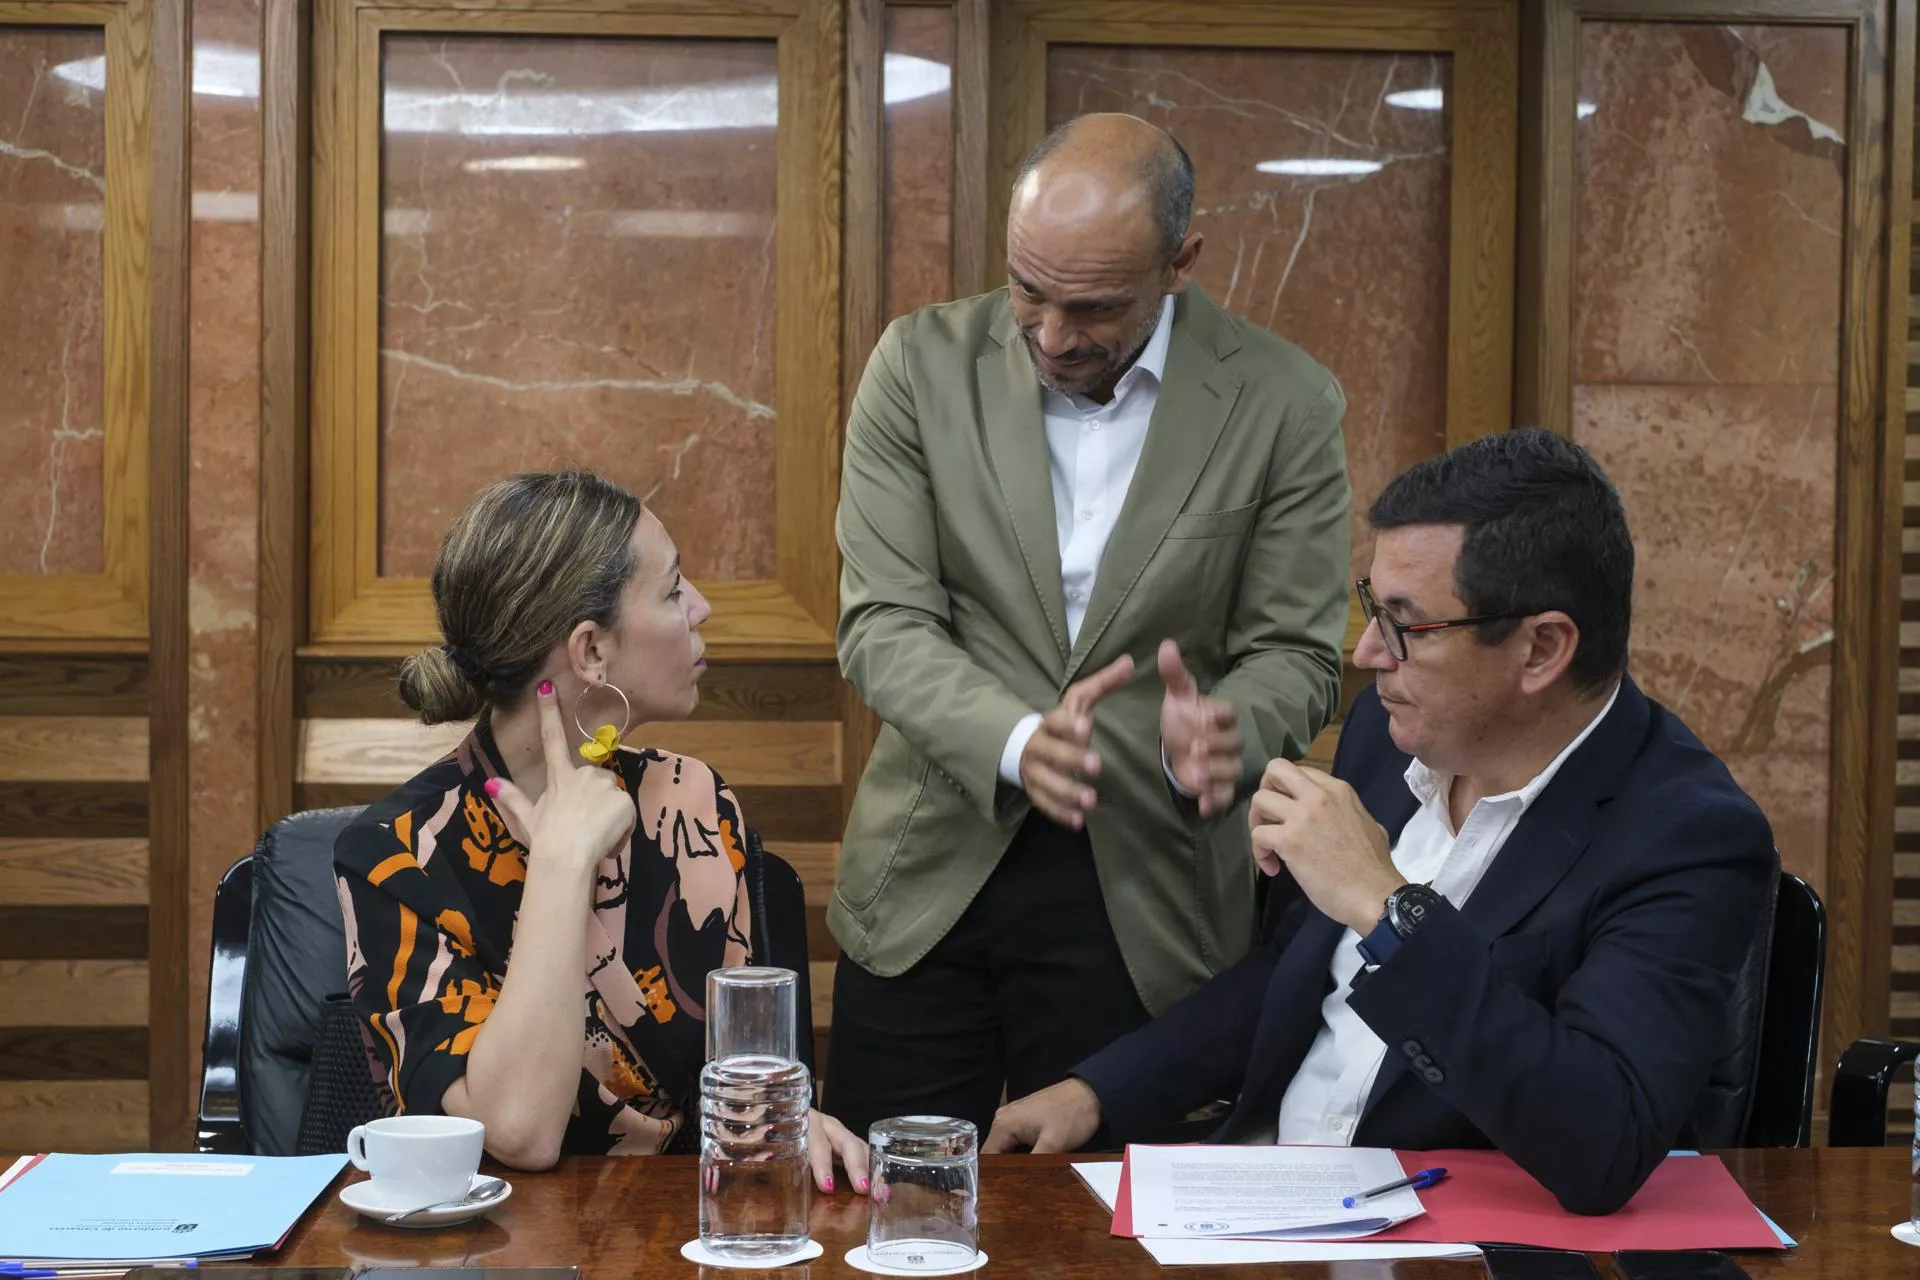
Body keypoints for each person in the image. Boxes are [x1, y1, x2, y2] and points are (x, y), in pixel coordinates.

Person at [983, 429, 1776, 1216]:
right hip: (1259, 1203)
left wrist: (1387, 908)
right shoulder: (1388, 735)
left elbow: (1602, 1139)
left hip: (1454, 1246)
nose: (1366, 653)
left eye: (1407, 623)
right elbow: (1295, 976)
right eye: (1371, 607)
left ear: (1541, 649)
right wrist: (1099, 1090)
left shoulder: (1686, 837)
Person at [825, 111, 1351, 1140]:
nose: (1054, 334)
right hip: (932, 872)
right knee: (886, 1217)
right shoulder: (917, 368)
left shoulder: (1286, 402)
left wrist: (1233, 726)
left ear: (1182, 261)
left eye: (1095, 305)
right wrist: (1020, 741)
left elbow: (1296, 650)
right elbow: (882, 622)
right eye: (1028, 290)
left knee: (1104, 1226)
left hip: (1154, 887)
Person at [335, 471, 870, 1185]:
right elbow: (517, 1134)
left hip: (696, 1237)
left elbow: (751, 1089)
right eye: (675, 590)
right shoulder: (395, 855)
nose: (702, 608)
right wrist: (560, 862)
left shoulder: (697, 805)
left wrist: (792, 1125)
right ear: (591, 650)